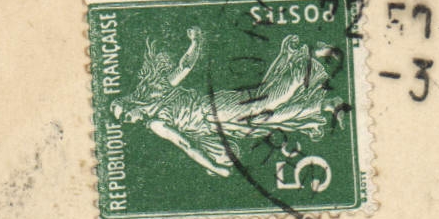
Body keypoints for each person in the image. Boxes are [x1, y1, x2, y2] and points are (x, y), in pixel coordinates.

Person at [113, 28, 344, 178]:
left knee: (265, 102)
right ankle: (326, 104)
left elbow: (186, 144)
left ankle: (309, 56)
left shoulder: (156, 108)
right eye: (124, 121)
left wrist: (196, 42)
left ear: (131, 103)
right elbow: (190, 143)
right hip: (216, 125)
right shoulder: (152, 117)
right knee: (268, 118)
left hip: (213, 110)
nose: (129, 120)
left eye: (125, 115)